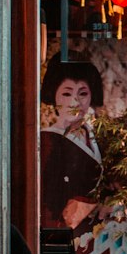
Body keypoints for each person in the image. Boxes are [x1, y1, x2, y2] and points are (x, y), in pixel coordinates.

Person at [39, 57, 104, 231]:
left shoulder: (98, 137)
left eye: (83, 93)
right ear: (54, 96)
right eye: (67, 94)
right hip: (65, 229)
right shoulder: (47, 140)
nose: (75, 102)